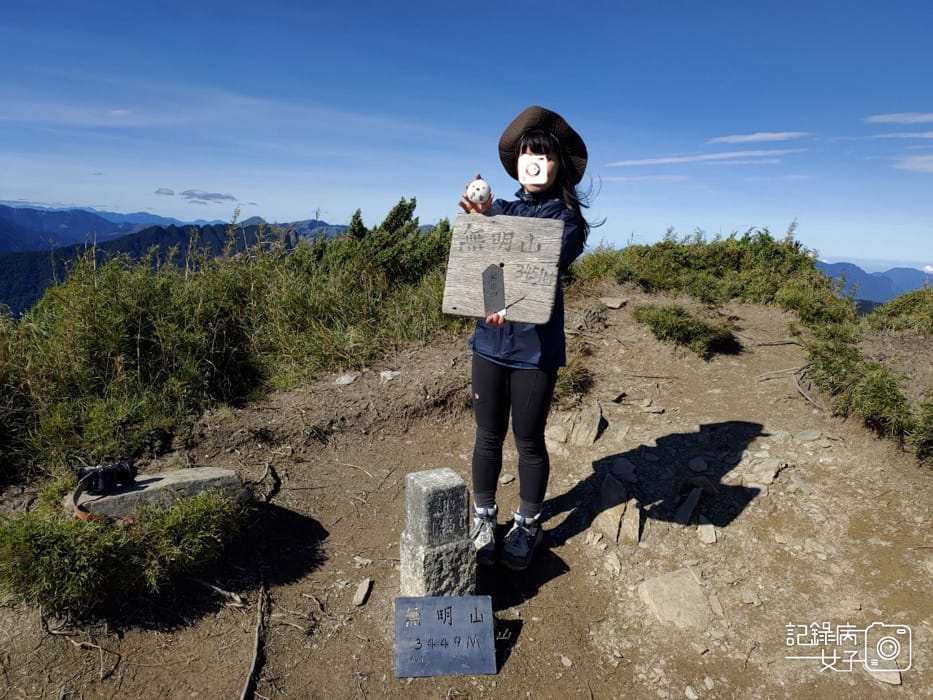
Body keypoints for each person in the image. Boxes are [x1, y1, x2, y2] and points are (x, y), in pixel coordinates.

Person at [457, 105, 594, 570]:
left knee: (528, 439)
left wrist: (494, 224)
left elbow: (547, 256)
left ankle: (528, 524)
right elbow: (489, 264)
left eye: (544, 156)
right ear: (516, 163)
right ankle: (483, 517)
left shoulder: (566, 219)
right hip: (489, 344)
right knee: (487, 436)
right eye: (526, 155)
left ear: (560, 167)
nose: (534, 163)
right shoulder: (504, 209)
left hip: (535, 350)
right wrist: (482, 220)